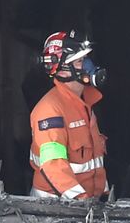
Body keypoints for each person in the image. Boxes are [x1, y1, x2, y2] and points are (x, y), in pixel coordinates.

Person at [28, 30, 110, 200]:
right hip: (55, 211)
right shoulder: (50, 111)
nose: (88, 66)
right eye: (80, 61)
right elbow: (53, 166)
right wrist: (81, 200)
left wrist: (103, 196)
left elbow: (94, 163)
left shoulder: (85, 105)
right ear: (63, 70)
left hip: (86, 206)